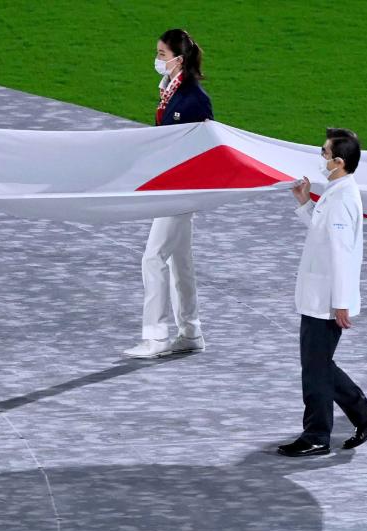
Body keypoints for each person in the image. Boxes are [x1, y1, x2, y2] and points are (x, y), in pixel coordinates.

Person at [277, 128, 367, 457]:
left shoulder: (341, 198)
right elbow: (323, 236)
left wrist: (340, 303)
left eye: (325, 154)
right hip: (320, 296)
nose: (321, 158)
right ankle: (366, 415)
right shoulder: (336, 191)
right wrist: (304, 205)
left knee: (315, 368)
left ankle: (316, 435)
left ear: (339, 162)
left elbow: (341, 253)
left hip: (325, 300)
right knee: (319, 364)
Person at [123, 29, 213, 359]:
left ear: (179, 58)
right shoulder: (171, 92)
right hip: (172, 187)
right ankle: (190, 332)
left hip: (181, 190)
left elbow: (204, 150)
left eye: (162, 54)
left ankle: (156, 336)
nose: (158, 60)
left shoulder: (194, 100)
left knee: (153, 257)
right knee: (180, 261)